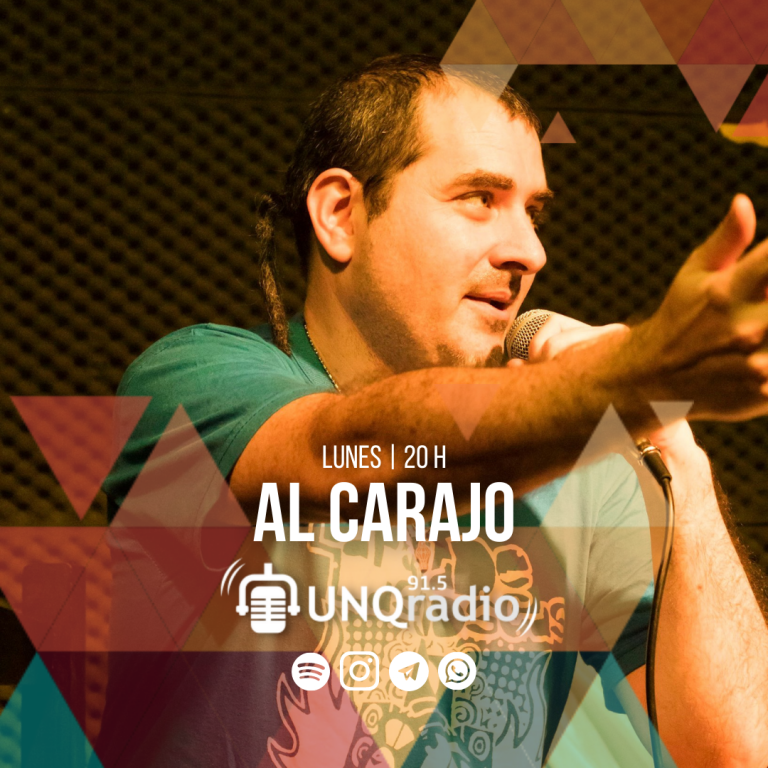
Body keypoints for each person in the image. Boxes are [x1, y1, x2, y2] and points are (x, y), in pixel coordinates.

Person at [102, 54, 768, 767]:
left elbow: (736, 753)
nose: (530, 251)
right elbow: (353, 452)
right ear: (340, 214)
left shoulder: (585, 472)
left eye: (534, 212)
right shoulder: (191, 383)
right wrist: (631, 377)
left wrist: (675, 445)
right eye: (480, 198)